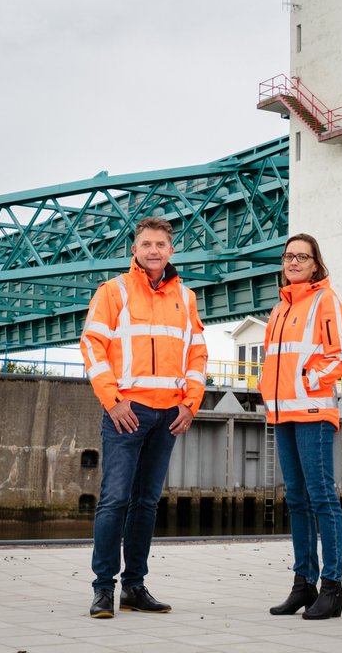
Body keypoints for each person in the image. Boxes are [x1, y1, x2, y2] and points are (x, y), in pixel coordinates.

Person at [80, 217, 207, 619]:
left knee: (146, 503)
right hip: (127, 412)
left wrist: (191, 403)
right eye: (146, 244)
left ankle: (134, 587)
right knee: (115, 500)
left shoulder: (186, 298)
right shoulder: (113, 291)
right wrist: (112, 401)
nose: (154, 250)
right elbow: (93, 346)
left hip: (168, 413)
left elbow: (197, 353)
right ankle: (103, 590)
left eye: (161, 244)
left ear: (172, 251)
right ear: (134, 249)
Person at [260, 233, 342, 620]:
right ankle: (304, 585)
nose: (295, 261)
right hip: (282, 414)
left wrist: (309, 379)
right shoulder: (279, 309)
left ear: (316, 264)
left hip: (313, 413)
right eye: (289, 256)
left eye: (303, 256)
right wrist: (266, 388)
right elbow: (273, 360)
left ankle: (332, 588)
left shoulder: (325, 300)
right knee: (296, 500)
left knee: (322, 499)